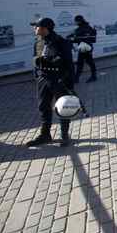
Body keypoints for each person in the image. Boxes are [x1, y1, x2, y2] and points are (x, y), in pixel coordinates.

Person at [26, 18, 75, 147]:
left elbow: (69, 64)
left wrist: (70, 82)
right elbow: (35, 60)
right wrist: (37, 76)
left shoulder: (61, 42)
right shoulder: (38, 42)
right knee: (43, 106)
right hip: (43, 79)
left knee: (62, 107)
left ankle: (64, 135)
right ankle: (45, 135)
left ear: (45, 28)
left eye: (36, 26)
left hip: (58, 79)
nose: (34, 29)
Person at [67, 15, 97, 83]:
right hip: (86, 47)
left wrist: (70, 39)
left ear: (79, 21)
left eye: (76, 21)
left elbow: (77, 38)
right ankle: (77, 78)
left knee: (86, 62)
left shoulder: (80, 29)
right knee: (85, 62)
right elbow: (77, 36)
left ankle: (91, 77)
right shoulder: (88, 27)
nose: (75, 22)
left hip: (85, 48)